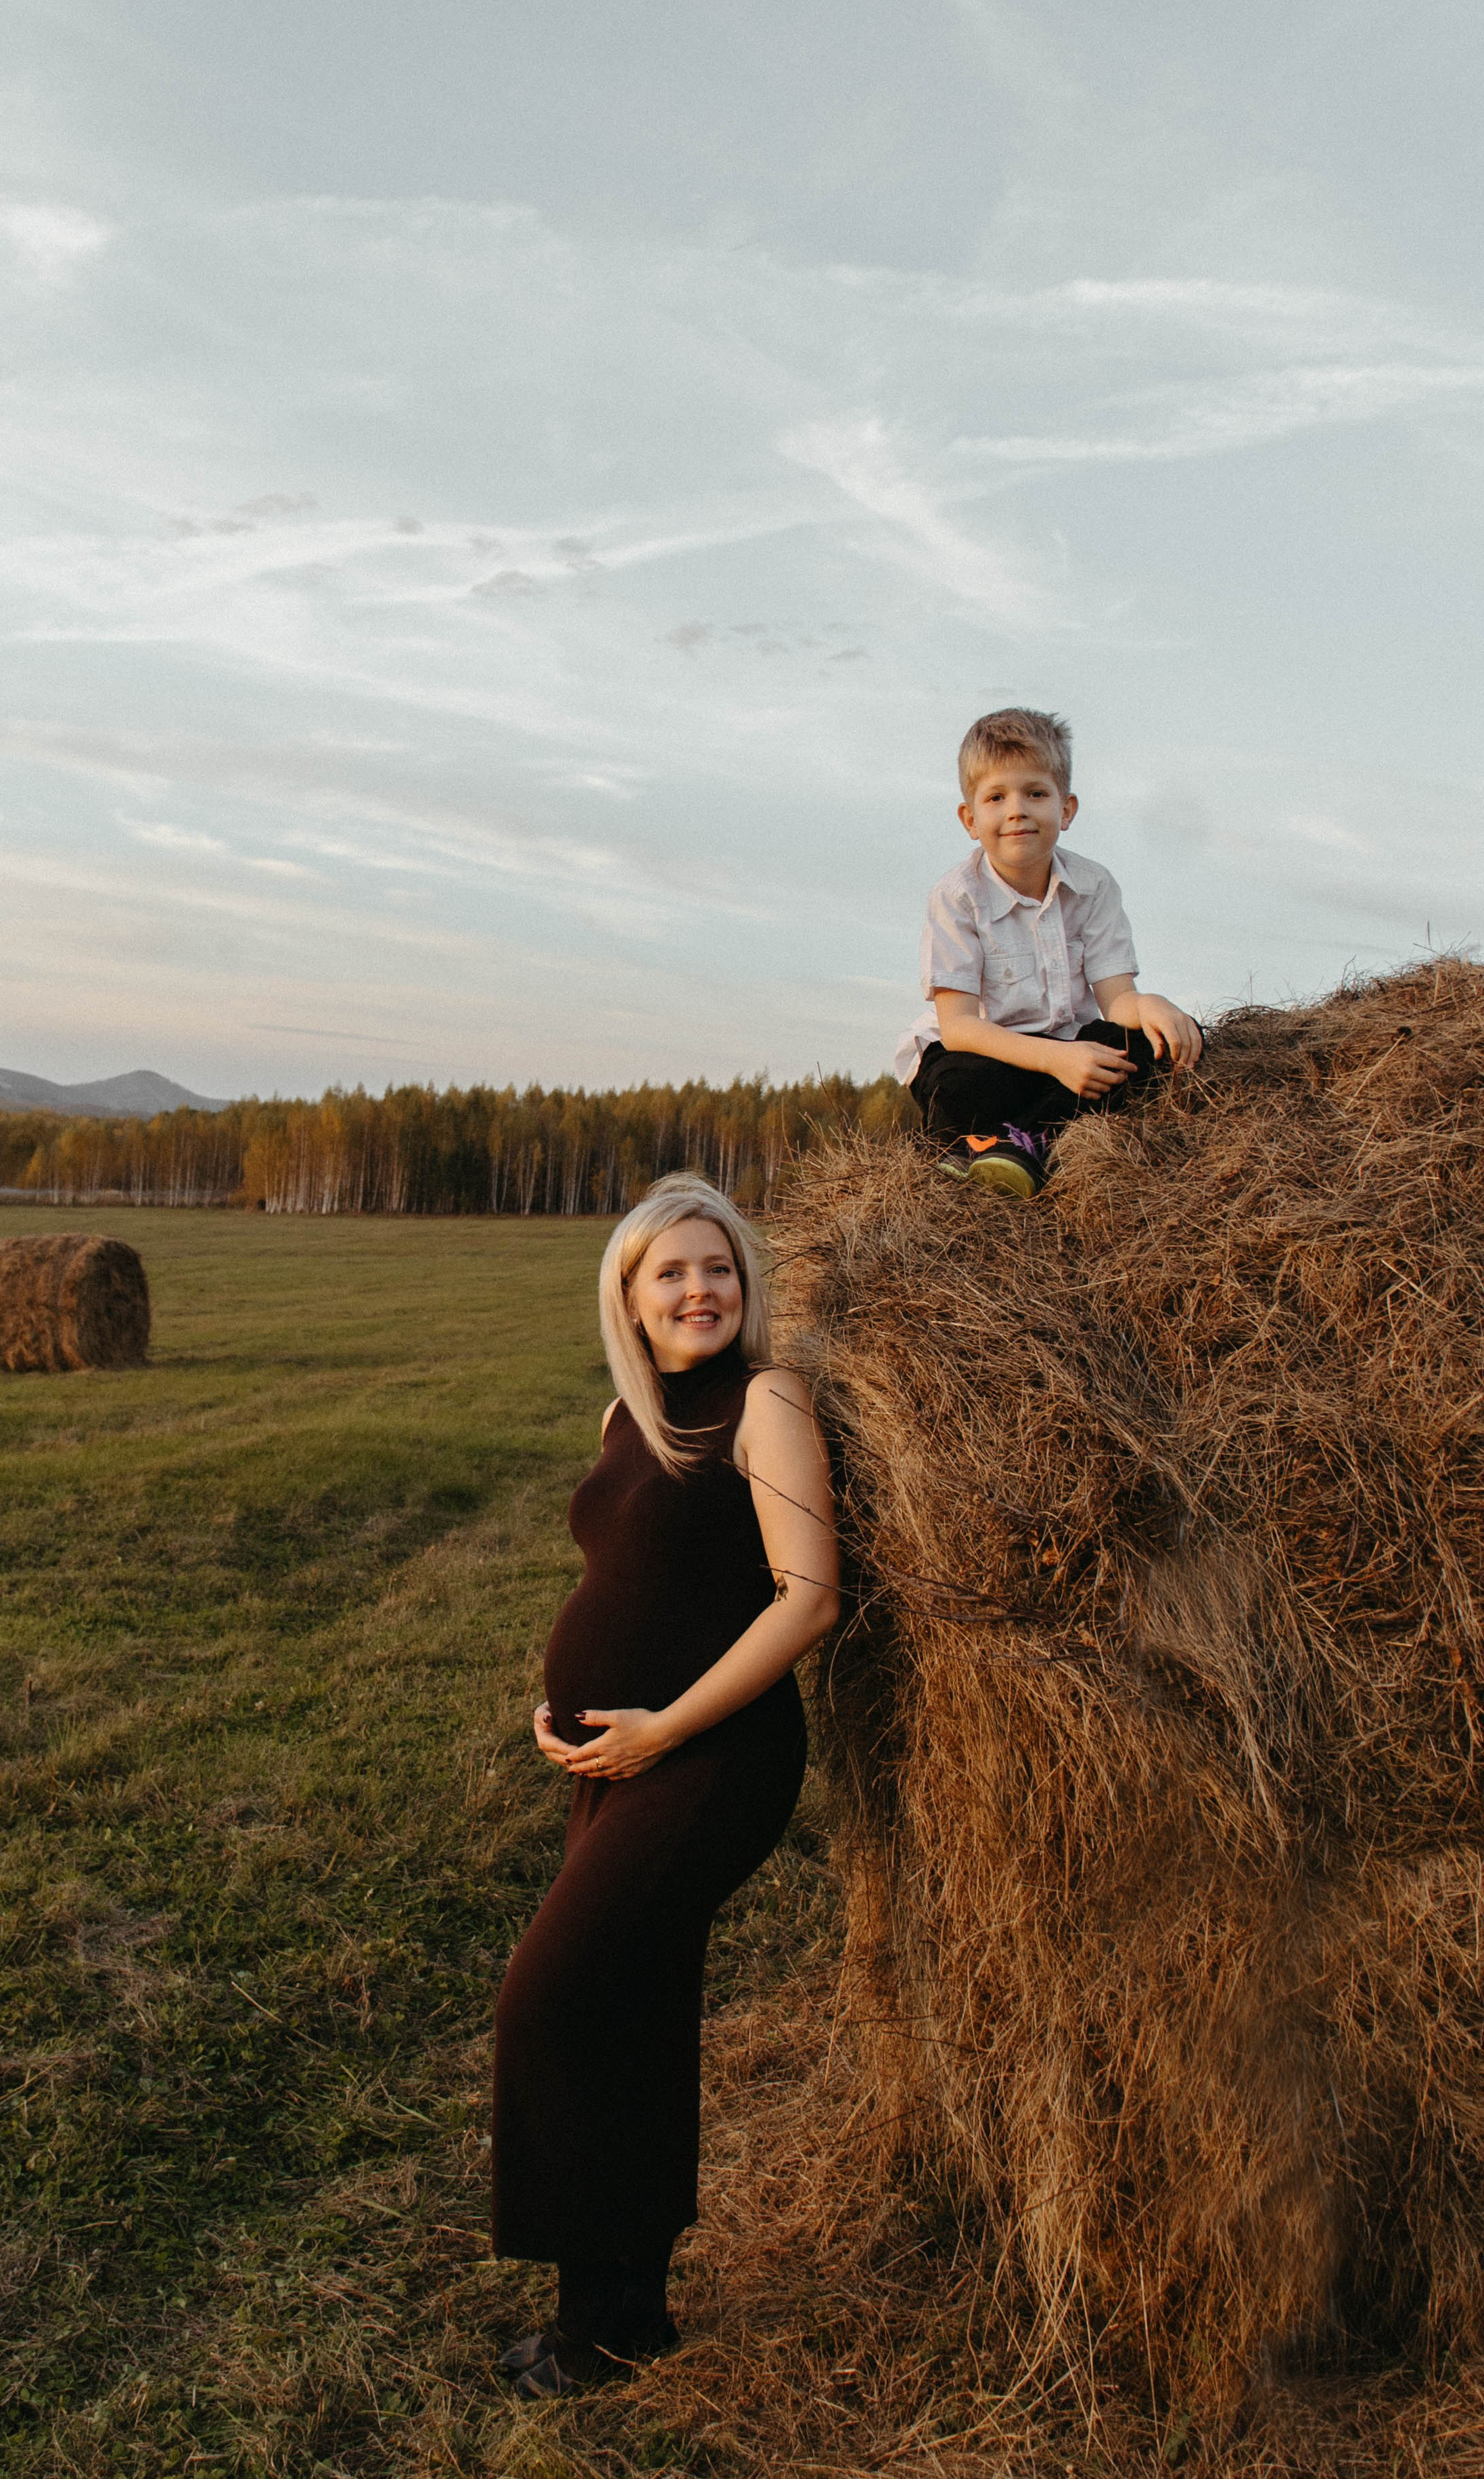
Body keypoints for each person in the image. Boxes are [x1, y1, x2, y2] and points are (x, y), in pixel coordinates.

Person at [490, 1172, 839, 2399]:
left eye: (719, 1267)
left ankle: (607, 2303)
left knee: (551, 1998)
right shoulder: (624, 1416)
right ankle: (616, 2315)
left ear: (745, 1285)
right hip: (620, 1750)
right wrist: (565, 1707)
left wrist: (662, 1727)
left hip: (716, 1756)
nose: (700, 1289)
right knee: (631, 2009)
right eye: (671, 1272)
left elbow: (810, 1596)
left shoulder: (766, 1401)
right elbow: (618, 1579)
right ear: (628, 1299)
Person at [895, 708, 1203, 1197]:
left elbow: (1118, 1001)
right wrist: (1056, 1063)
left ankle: (1018, 1141)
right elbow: (960, 1027)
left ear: (1066, 809)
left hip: (1070, 1050)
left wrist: (1153, 1006)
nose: (1017, 810)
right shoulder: (957, 896)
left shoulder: (1094, 886)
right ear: (970, 819)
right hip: (983, 1055)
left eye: (1035, 793)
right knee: (956, 1086)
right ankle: (1026, 1134)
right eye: (997, 797)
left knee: (1146, 1046)